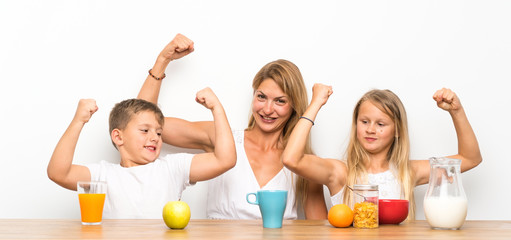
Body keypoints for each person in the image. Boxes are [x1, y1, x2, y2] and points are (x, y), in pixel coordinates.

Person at [137, 33, 327, 219]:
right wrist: (163, 60)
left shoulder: (303, 162)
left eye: (280, 101)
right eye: (261, 97)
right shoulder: (222, 137)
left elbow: (319, 231)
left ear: (294, 105)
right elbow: (139, 122)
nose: (268, 109)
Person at [282, 84, 482, 219]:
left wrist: (456, 112)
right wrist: (316, 103)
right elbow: (291, 159)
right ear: (356, 125)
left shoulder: (407, 172)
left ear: (397, 131)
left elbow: (470, 158)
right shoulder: (340, 173)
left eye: (381, 124)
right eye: (365, 122)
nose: (370, 129)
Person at [47, 88, 236, 219]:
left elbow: (225, 159)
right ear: (118, 137)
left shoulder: (172, 168)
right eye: (145, 131)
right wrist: (78, 121)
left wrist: (217, 108)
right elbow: (58, 173)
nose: (155, 137)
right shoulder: (102, 175)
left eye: (159, 132)